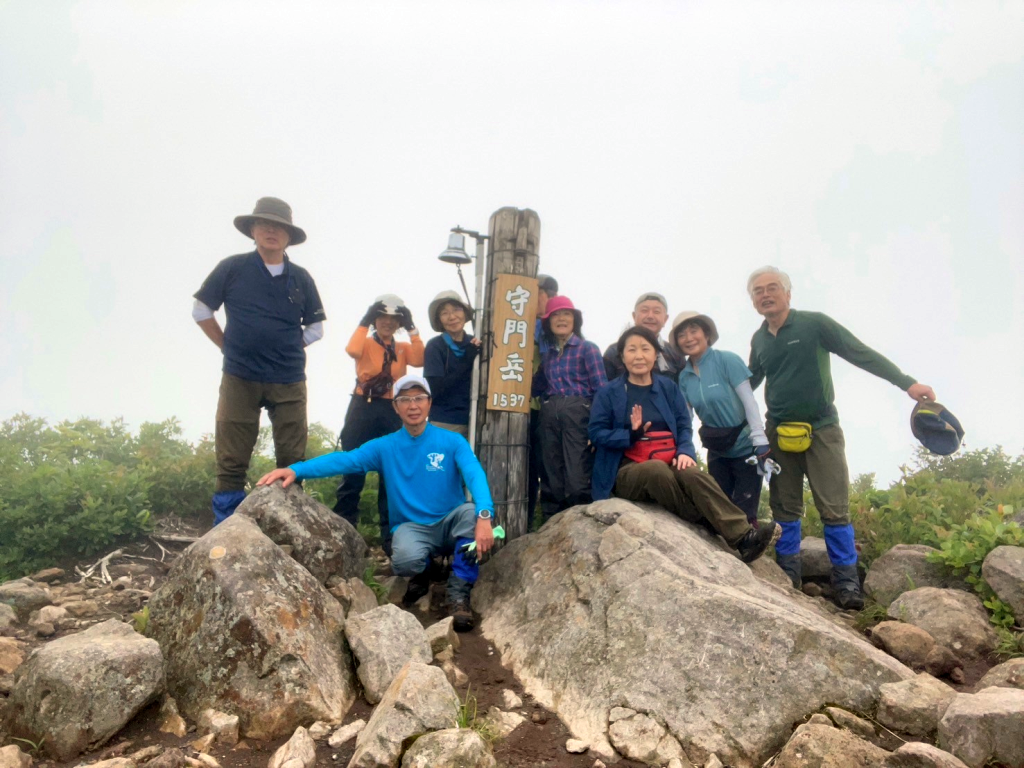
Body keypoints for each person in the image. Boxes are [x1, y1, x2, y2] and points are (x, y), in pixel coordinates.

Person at [746, 266, 937, 609]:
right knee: (784, 507)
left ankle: (847, 584)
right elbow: (749, 384)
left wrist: (907, 382)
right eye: (757, 291)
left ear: (788, 293)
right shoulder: (759, 339)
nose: (765, 295)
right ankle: (789, 577)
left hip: (821, 429)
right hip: (778, 430)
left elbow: (858, 351)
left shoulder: (814, 324)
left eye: (772, 288)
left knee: (834, 507)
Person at [258, 375, 494, 631]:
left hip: (451, 520)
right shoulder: (385, 446)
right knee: (404, 561)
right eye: (405, 400)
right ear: (395, 407)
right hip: (412, 526)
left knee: (471, 514)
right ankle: (425, 570)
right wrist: (296, 470)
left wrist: (485, 514)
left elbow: (474, 473)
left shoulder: (452, 441)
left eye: (419, 398)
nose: (412, 406)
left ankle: (459, 593)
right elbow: (345, 460)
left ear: (429, 403)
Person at [589, 326, 780, 563]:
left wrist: (685, 451)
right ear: (622, 356)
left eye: (645, 349)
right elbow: (596, 433)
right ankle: (706, 517)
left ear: (655, 354)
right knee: (655, 470)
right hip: (627, 467)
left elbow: (683, 424)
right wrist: (630, 434)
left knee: (692, 474)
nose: (639, 355)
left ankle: (744, 538)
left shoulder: (668, 388)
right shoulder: (609, 393)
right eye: (632, 350)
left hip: (667, 456)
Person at [193, 196, 326, 525]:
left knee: (293, 458)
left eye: (279, 226)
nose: (271, 230)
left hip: (289, 377)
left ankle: (290, 529)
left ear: (288, 235)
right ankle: (225, 529)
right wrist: (227, 346)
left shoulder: (301, 277)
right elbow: (201, 310)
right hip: (240, 375)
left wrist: (286, 346)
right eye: (264, 224)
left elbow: (317, 327)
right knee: (231, 457)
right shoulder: (232, 268)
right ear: (252, 229)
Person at [333, 294, 424, 554]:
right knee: (353, 466)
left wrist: (412, 327)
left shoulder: (402, 348)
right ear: (375, 319)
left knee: (391, 472)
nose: (388, 323)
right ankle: (343, 527)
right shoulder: (366, 342)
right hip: (363, 405)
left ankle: (391, 537)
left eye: (394, 319)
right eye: (382, 317)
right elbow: (352, 350)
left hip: (390, 409)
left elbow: (419, 359)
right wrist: (364, 320)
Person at [671, 311, 770, 526]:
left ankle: (749, 555)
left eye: (694, 331)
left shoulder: (727, 360)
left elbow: (749, 401)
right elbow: (685, 418)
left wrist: (760, 439)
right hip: (716, 448)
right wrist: (683, 448)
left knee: (745, 511)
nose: (689, 338)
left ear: (706, 334)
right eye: (682, 335)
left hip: (745, 447)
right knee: (718, 508)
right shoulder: (684, 376)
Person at [532, 296, 607, 518]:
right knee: (550, 472)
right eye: (555, 315)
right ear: (547, 323)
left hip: (579, 414)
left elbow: (601, 390)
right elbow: (536, 387)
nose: (561, 319)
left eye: (566, 314)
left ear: (575, 320)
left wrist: (597, 427)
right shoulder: (548, 356)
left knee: (577, 475)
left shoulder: (588, 349)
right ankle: (550, 524)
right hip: (549, 414)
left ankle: (580, 521)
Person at [423, 290, 480, 437]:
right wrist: (467, 361)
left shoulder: (475, 342)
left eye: (456, 310)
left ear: (464, 314)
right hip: (445, 421)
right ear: (439, 320)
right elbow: (435, 389)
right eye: (444, 313)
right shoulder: (435, 346)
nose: (452, 317)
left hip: (478, 419)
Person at [529, 275, 558, 519]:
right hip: (522, 407)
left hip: (546, 408)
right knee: (527, 470)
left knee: (547, 466)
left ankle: (548, 522)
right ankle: (526, 522)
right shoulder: (521, 323)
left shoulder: (551, 327)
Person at [603, 292, 684, 380]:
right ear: (634, 316)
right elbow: (604, 388)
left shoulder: (675, 353)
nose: (650, 316)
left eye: (656, 312)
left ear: (665, 319)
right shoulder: (614, 351)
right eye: (644, 311)